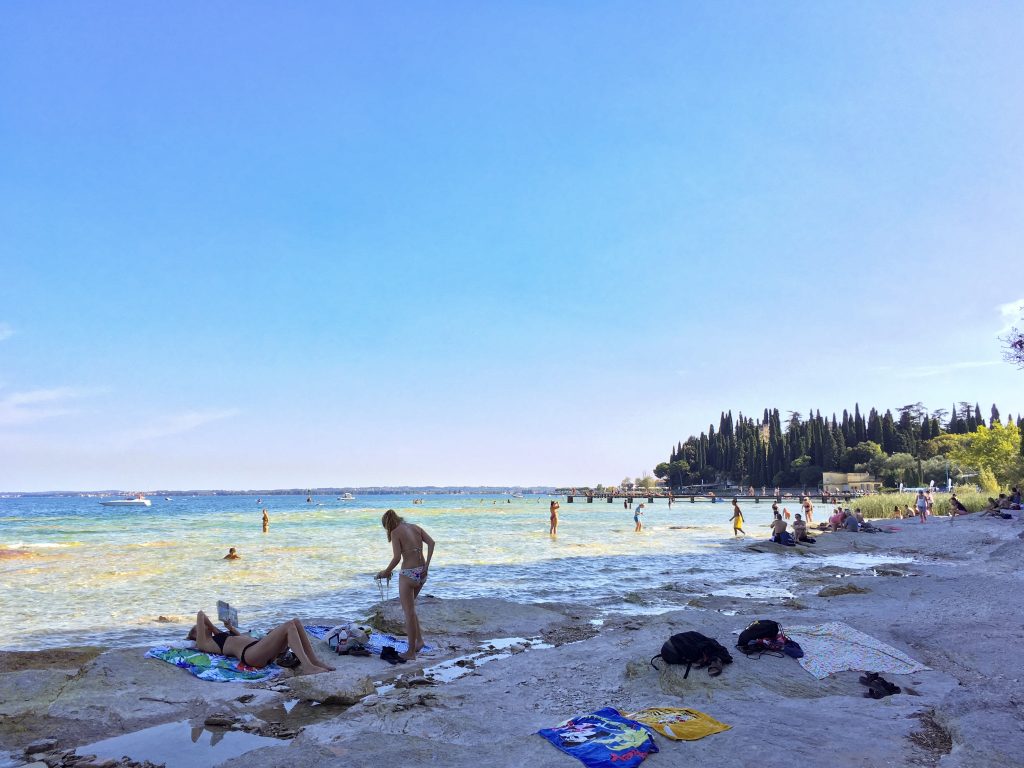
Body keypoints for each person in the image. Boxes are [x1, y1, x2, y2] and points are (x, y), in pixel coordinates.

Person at [188, 610, 333, 674]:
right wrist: (211, 627)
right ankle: (307, 666)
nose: (203, 627)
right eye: (198, 628)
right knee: (289, 625)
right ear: (196, 635)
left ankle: (314, 661)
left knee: (295, 622)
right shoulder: (204, 644)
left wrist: (229, 627)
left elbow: (238, 638)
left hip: (258, 647)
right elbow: (201, 614)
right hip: (251, 655)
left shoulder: (217, 637)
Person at [376, 509, 435, 661]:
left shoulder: (396, 532)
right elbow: (431, 543)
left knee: (408, 612)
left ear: (388, 524)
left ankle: (410, 652)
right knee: (411, 609)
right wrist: (426, 566)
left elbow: (396, 558)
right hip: (421, 573)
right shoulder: (415, 527)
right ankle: (419, 642)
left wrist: (386, 571)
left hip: (408, 574)